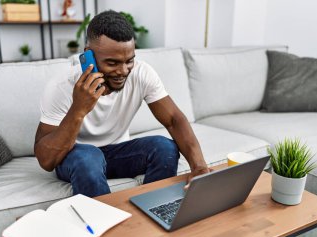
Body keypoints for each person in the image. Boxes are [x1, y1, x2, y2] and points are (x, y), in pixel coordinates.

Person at [34, 10, 210, 197]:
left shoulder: (142, 73)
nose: (123, 71)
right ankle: (104, 221)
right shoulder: (62, 86)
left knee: (164, 147)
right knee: (88, 157)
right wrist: (78, 109)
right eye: (112, 63)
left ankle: (155, 208)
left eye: (129, 61)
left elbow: (174, 120)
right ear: (89, 55)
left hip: (119, 154)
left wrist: (199, 167)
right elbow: (46, 160)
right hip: (76, 157)